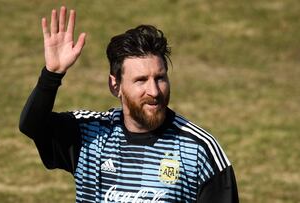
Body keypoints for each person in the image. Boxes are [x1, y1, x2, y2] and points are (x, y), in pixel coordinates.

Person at [19, 6, 239, 203]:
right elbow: (32, 126)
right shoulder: (89, 135)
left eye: (160, 78)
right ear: (116, 86)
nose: (154, 91)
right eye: (141, 80)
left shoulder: (199, 150)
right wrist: (52, 75)